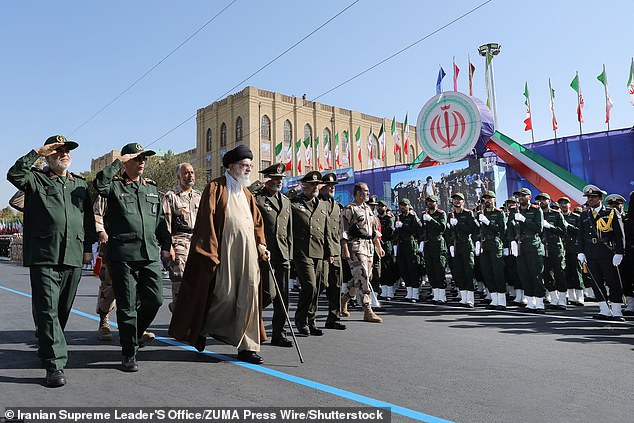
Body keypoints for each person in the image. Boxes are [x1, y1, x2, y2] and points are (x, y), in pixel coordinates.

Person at [7, 135, 95, 387]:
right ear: (48, 155)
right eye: (58, 151)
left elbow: (87, 218)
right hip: (44, 254)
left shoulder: (79, 185)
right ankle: (54, 365)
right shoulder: (36, 179)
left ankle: (46, 341)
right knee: (47, 309)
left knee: (61, 310)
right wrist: (37, 151)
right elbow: (14, 174)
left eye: (67, 151)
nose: (64, 154)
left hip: (73, 254)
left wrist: (88, 248)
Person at [169, 145, 269, 364]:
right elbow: (206, 222)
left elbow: (257, 223)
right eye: (245, 166)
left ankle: (247, 347)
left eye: (250, 166)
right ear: (232, 167)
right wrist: (210, 253)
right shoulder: (216, 188)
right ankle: (203, 329)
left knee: (250, 294)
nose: (248, 170)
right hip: (223, 251)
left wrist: (261, 244)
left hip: (249, 253)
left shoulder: (247, 193)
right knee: (224, 295)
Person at [94, 142, 172, 371]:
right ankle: (129, 353)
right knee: (127, 306)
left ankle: (134, 334)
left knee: (155, 299)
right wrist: (118, 161)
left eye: (144, 159)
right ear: (127, 162)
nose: (142, 162)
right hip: (123, 256)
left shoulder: (151, 189)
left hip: (148, 254)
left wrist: (167, 244)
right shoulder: (115, 187)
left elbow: (159, 222)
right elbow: (99, 184)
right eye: (137, 158)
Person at [253, 163, 295, 346]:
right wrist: (258, 183)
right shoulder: (258, 198)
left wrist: (290, 254)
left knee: (283, 297)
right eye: (274, 179)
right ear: (267, 180)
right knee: (267, 294)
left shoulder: (286, 201)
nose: (278, 182)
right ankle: (249, 322)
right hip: (264, 254)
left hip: (283, 253)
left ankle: (279, 334)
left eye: (280, 179)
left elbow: (289, 231)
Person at [577, 185, 625, 321]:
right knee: (596, 281)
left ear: (601, 198)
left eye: (593, 197)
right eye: (588, 197)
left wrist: (619, 252)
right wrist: (580, 251)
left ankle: (616, 310)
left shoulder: (611, 213)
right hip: (591, 252)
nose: (590, 199)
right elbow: (580, 235)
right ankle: (604, 309)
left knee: (613, 281)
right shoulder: (584, 215)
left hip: (607, 252)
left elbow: (619, 235)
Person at [291, 171, 330, 336]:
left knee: (319, 287)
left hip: (319, 251)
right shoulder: (294, 203)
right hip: (301, 251)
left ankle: (311, 320)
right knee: (309, 286)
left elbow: (326, 231)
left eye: (317, 184)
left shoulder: (322, 204)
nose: (315, 187)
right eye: (312, 184)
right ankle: (300, 319)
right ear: (303, 186)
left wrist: (329, 252)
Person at [340, 182, 385, 322]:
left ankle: (344, 298)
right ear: (358, 193)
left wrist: (378, 246)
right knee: (363, 277)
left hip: (369, 246)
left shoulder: (368, 209)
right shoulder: (349, 209)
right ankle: (367, 309)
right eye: (366, 191)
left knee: (361, 278)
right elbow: (343, 231)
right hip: (356, 246)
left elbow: (373, 231)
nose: (368, 193)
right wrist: (345, 249)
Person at [162, 162, 201, 313]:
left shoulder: (199, 196)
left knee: (197, 280)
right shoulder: (171, 196)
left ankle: (188, 314)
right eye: (186, 173)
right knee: (180, 276)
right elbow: (165, 224)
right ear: (179, 176)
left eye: (192, 172)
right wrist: (168, 246)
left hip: (197, 241)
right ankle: (179, 313)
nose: (190, 175)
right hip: (179, 240)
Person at [509, 188, 545, 313]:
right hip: (520, 245)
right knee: (524, 274)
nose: (521, 198)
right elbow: (509, 227)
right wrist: (512, 240)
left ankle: (540, 302)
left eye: (523, 196)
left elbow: (538, 228)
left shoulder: (536, 210)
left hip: (532, 244)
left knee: (535, 273)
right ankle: (530, 302)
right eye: (519, 196)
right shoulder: (514, 210)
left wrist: (525, 220)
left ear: (529, 197)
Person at [319, 172, 346, 330]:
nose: (331, 188)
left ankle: (333, 318)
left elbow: (339, 231)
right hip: (321, 252)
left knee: (336, 286)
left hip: (335, 252)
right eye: (328, 186)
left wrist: (342, 250)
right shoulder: (316, 203)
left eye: (333, 186)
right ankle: (309, 318)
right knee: (320, 285)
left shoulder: (336, 206)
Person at [446, 192, 479, 308]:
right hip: (455, 245)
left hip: (466, 244)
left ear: (463, 202)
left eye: (459, 200)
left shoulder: (468, 214)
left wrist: (459, 224)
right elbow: (448, 232)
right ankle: (463, 297)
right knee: (458, 272)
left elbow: (473, 228)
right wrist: (450, 245)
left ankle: (470, 299)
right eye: (455, 200)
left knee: (468, 271)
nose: (456, 201)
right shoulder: (450, 215)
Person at [536, 193, 567, 311]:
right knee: (546, 274)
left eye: (544, 200)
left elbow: (563, 231)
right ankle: (554, 299)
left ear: (549, 201)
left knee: (559, 273)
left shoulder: (556, 214)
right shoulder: (536, 214)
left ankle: (562, 300)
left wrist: (550, 227)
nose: (541, 202)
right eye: (539, 200)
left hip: (555, 248)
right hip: (543, 248)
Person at [477, 191, 507, 310]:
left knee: (498, 272)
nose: (487, 201)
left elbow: (501, 230)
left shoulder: (499, 213)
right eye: (485, 199)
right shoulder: (481, 213)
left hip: (495, 244)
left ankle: (502, 300)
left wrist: (488, 222)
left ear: (494, 200)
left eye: (490, 198)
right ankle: (494, 299)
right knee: (487, 272)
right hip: (484, 244)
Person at [394, 198, 423, 302]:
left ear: (408, 206)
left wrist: (405, 227)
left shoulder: (412, 216)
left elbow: (419, 229)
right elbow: (396, 233)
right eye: (401, 205)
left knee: (412, 269)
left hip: (410, 244)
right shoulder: (399, 217)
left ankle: (415, 293)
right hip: (401, 244)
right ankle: (409, 292)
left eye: (404, 205)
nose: (402, 207)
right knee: (404, 268)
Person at [421, 195, 448, 304]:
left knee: (439, 270)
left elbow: (442, 228)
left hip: (438, 244)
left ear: (436, 203)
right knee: (430, 270)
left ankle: (442, 296)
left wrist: (431, 220)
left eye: (432, 202)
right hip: (428, 244)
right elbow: (422, 229)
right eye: (428, 202)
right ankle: (435, 295)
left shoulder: (441, 214)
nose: (429, 204)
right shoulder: (424, 215)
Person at [558, 196, 584, 306]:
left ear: (569, 205)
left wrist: (568, 226)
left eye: (565, 203)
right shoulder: (557, 217)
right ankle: (571, 296)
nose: (563, 205)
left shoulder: (576, 217)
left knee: (576, 272)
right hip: (562, 249)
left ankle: (580, 296)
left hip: (574, 248)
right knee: (566, 273)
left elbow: (580, 231)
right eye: (561, 203)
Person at [377, 200, 397, 300]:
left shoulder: (389, 219)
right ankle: (384, 290)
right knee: (381, 269)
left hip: (386, 244)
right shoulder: (376, 219)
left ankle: (390, 291)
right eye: (378, 206)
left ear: (385, 208)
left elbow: (390, 231)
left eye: (382, 206)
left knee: (388, 268)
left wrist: (382, 238)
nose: (379, 208)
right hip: (378, 245)